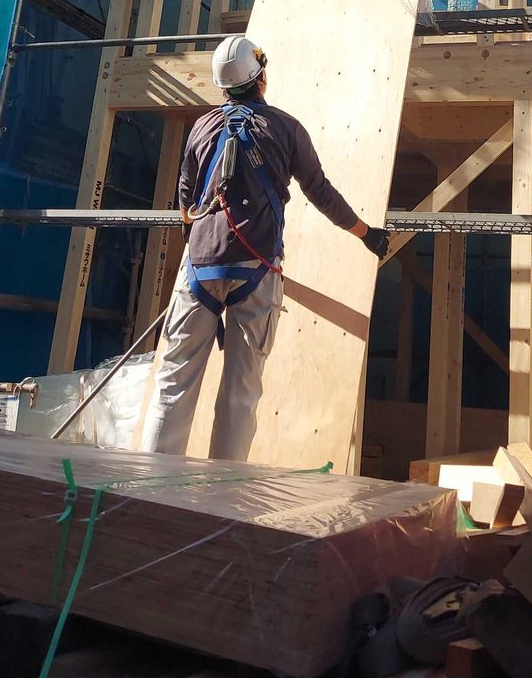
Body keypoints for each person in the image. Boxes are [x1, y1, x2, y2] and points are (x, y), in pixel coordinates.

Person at [141, 36, 389, 460]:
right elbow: (321, 193)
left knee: (173, 384)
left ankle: (147, 486)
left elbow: (185, 202)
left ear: (222, 86)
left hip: (199, 270)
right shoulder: (286, 129)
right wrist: (367, 234)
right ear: (261, 78)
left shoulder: (201, 127)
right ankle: (220, 493)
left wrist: (200, 236)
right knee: (240, 394)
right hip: (255, 272)